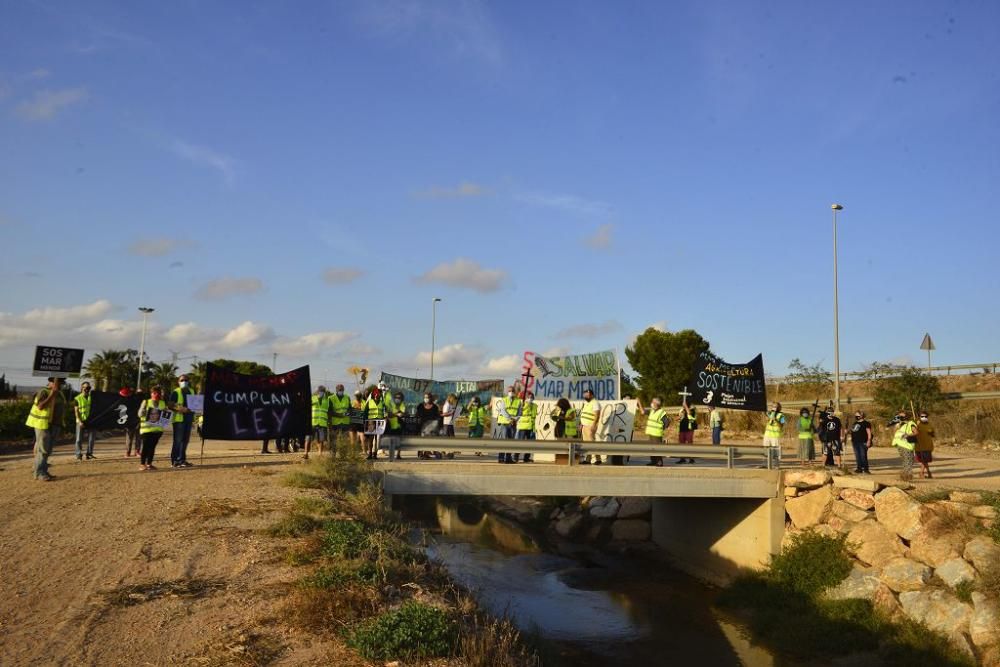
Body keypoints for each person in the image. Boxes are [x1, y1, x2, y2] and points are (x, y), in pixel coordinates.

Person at [26, 377, 65, 481]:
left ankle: (43, 470)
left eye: (61, 383)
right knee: (43, 449)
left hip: (55, 425)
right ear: (51, 383)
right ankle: (39, 473)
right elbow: (40, 406)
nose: (61, 385)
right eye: (59, 383)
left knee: (48, 450)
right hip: (42, 424)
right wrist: (52, 395)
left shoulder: (60, 394)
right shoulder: (44, 392)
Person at [138, 386, 168, 471]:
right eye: (154, 393)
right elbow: (139, 414)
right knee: (145, 447)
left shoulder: (163, 403)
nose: (156, 394)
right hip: (146, 430)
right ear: (151, 394)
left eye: (158, 393)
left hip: (157, 430)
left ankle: (149, 464)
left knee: (152, 447)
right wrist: (146, 412)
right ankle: (142, 464)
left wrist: (165, 416)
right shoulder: (146, 402)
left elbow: (165, 416)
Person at [169, 374, 195, 467]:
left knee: (185, 440)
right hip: (179, 420)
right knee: (178, 440)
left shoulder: (192, 391)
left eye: (186, 380)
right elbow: (170, 405)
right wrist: (181, 409)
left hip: (188, 419)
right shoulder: (175, 392)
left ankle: (182, 460)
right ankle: (175, 460)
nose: (184, 381)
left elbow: (195, 405)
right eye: (182, 380)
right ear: (178, 382)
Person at [637, 397, 669, 466]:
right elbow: (642, 412)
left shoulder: (661, 412)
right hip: (651, 433)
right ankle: (653, 461)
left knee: (657, 448)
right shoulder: (652, 411)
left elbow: (667, 422)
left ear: (656, 403)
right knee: (651, 448)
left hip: (657, 434)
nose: (651, 403)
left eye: (653, 402)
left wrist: (661, 428)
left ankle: (659, 462)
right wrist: (639, 403)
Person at [496, 386, 522, 464]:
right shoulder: (504, 400)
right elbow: (503, 411)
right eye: (510, 391)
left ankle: (508, 458)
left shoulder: (518, 401)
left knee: (511, 441)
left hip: (513, 423)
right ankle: (501, 458)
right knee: (503, 441)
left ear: (515, 392)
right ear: (507, 392)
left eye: (512, 391)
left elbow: (520, 413)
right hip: (505, 422)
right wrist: (510, 419)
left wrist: (515, 419)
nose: (511, 392)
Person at [305, 385, 331, 460]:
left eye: (323, 391)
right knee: (308, 438)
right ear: (317, 391)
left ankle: (320, 453)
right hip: (312, 422)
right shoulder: (312, 398)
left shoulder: (326, 400)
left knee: (320, 440)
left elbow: (328, 411)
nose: (321, 392)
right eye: (320, 391)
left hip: (322, 423)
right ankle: (306, 453)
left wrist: (329, 421)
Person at [891, 409, 918, 481]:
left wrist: (908, 435)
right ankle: (907, 476)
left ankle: (905, 475)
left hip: (903, 444)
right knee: (908, 460)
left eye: (902, 416)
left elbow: (915, 432)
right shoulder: (900, 424)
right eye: (900, 416)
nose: (900, 417)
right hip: (904, 444)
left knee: (907, 460)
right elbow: (916, 432)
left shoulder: (910, 423)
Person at [73, 381, 96, 461]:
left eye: (88, 388)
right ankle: (78, 454)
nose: (87, 389)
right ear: (81, 388)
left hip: (90, 421)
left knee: (91, 438)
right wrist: (79, 421)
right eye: (85, 388)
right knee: (79, 439)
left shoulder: (92, 397)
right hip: (81, 421)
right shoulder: (77, 398)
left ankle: (89, 454)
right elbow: (76, 411)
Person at [579, 388, 602, 464]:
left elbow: (597, 415)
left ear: (592, 395)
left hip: (590, 425)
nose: (586, 396)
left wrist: (594, 424)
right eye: (585, 395)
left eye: (587, 395)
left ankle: (598, 459)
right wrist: (581, 424)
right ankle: (588, 460)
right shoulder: (585, 403)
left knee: (592, 443)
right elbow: (584, 414)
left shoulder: (595, 403)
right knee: (587, 443)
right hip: (584, 425)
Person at [416, 393, 441, 458]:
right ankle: (422, 453)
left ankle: (427, 453)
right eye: (425, 397)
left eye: (427, 397)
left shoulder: (435, 407)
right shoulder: (420, 406)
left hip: (431, 427)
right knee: (422, 441)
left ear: (431, 398)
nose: (426, 399)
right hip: (422, 426)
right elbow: (417, 415)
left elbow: (437, 416)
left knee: (429, 441)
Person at [515, 392, 538, 463]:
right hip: (523, 426)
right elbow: (520, 412)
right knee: (520, 443)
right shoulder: (522, 404)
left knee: (530, 444)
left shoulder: (535, 405)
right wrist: (526, 404)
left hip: (531, 426)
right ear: (526, 398)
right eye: (529, 397)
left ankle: (526, 458)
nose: (530, 399)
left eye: (531, 397)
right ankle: (516, 457)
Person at [762, 402, 786, 468]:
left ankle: (776, 465)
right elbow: (766, 417)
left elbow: (782, 424)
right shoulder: (770, 413)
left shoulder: (781, 415)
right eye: (773, 406)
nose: (774, 408)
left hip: (775, 435)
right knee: (765, 450)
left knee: (775, 451)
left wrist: (776, 420)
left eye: (776, 406)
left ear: (779, 408)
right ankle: (765, 464)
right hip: (767, 434)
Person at [120, 386, 140, 457]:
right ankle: (128, 451)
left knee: (138, 437)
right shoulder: (124, 400)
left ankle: (137, 451)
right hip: (129, 421)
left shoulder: (137, 398)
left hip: (137, 420)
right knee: (129, 437)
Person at [915, 411, 935, 479]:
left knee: (925, 460)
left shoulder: (930, 425)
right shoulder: (916, 425)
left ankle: (927, 473)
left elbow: (933, 435)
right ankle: (922, 473)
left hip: (928, 446)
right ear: (919, 417)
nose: (924, 418)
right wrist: (916, 426)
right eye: (922, 416)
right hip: (919, 445)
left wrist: (931, 432)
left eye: (925, 416)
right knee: (924, 460)